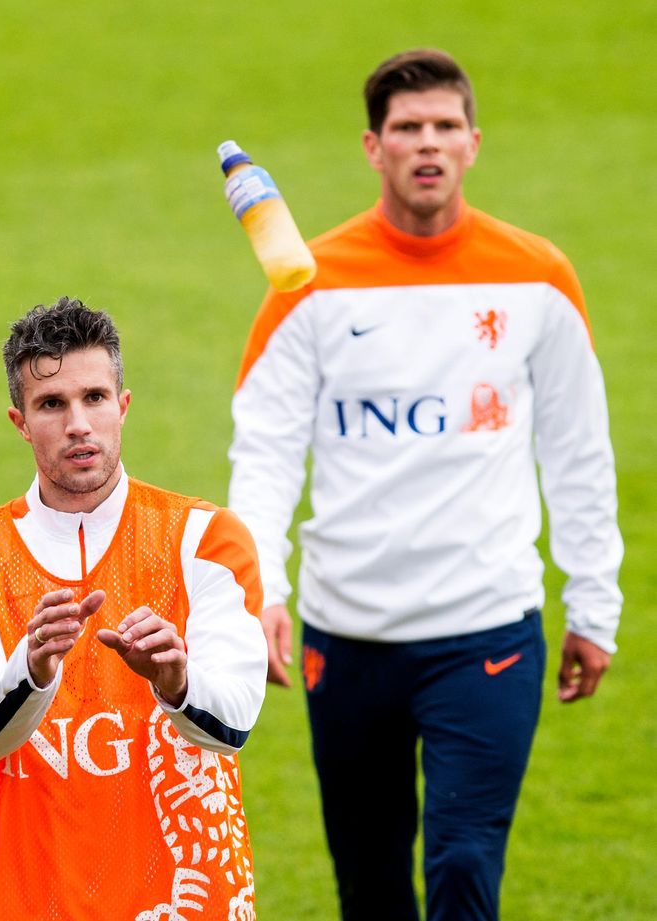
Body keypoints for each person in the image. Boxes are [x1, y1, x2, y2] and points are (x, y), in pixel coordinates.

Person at [227, 48, 623, 921]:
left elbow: (578, 451)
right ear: (373, 147)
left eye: (445, 125)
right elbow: (263, 449)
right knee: (368, 884)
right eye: (407, 128)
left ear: (473, 142)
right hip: (348, 635)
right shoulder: (308, 283)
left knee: (462, 863)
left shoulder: (538, 278)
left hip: (485, 631)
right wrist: (261, 588)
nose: (427, 143)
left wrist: (593, 604)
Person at [0, 297, 268, 921]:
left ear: (123, 406)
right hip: (31, 899)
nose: (78, 423)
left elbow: (238, 718)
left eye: (94, 398)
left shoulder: (207, 538)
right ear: (20, 422)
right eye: (51, 404)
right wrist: (30, 668)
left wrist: (176, 681)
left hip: (188, 902)